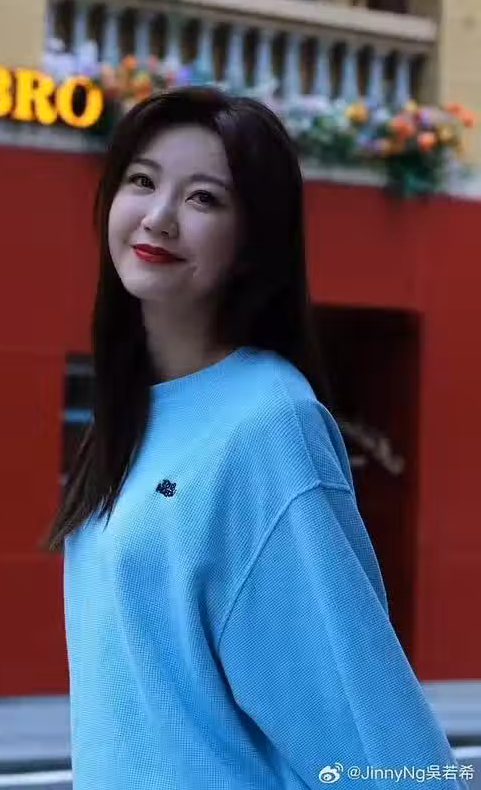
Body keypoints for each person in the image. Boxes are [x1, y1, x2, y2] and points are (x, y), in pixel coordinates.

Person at [44, 87, 462, 789]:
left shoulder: (268, 424)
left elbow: (374, 737)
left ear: (252, 240)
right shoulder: (132, 414)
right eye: (142, 181)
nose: (159, 217)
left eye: (203, 199)